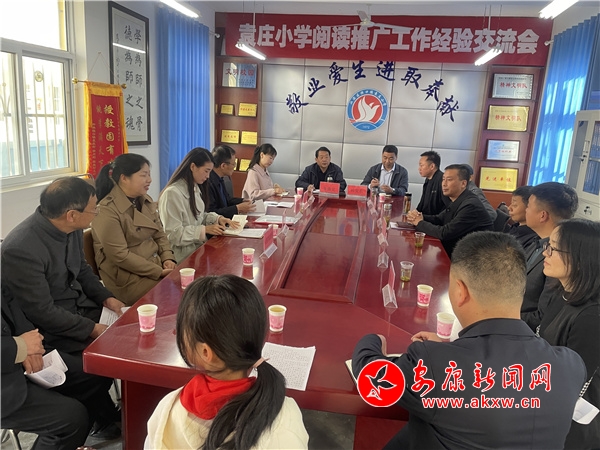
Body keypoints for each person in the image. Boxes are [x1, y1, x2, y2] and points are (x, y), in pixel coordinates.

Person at [352, 232, 587, 450]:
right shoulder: (571, 366)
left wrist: (374, 339)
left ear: (460, 291)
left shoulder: (432, 365)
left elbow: (370, 375)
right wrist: (451, 352)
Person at [1, 176, 124, 439]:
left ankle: (106, 416)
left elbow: (82, 269)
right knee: (97, 368)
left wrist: (107, 298)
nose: (96, 212)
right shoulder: (21, 248)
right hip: (51, 328)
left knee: (128, 335)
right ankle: (98, 419)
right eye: (93, 209)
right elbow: (41, 312)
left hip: (79, 309)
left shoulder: (72, 228)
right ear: (72, 215)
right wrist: (92, 329)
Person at [145, 275, 309, 449]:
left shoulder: (167, 412)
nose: (176, 333)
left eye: (180, 330)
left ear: (205, 353)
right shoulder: (286, 415)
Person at [2, 285, 90, 449]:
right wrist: (19, 347)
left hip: (18, 352)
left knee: (90, 372)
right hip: (4, 381)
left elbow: (8, 300)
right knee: (71, 419)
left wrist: (30, 346)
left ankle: (98, 428)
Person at [537, 219, 600, 449]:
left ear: (580, 260)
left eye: (553, 248)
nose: (545, 252)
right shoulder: (562, 292)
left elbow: (571, 383)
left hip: (568, 426)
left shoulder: (591, 317)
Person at [92, 153, 176, 306]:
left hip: (154, 264)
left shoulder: (144, 200)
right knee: (173, 293)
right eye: (143, 175)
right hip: (127, 277)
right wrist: (158, 271)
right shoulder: (106, 210)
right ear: (124, 178)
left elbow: (159, 234)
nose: (149, 180)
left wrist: (167, 258)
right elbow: (120, 256)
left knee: (187, 285)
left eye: (149, 175)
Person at [159, 148, 237, 262]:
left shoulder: (195, 187)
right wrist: (204, 230)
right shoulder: (172, 193)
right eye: (206, 171)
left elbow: (199, 216)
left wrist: (218, 218)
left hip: (197, 250)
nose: (208, 176)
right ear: (193, 167)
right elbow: (173, 234)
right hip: (181, 256)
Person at [521, 182, 578, 326]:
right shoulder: (536, 241)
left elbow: (542, 317)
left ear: (542, 215)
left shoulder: (561, 259)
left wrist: (500, 316)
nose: (525, 210)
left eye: (528, 206)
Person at [406, 164, 493, 256]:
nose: (444, 184)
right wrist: (420, 217)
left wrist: (419, 222)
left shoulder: (470, 205)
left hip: (472, 257)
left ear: (463, 183)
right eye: (443, 179)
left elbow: (445, 233)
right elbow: (440, 219)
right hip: (457, 249)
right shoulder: (457, 199)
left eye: (449, 180)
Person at [208, 145, 255, 219]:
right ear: (223, 166)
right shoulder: (208, 182)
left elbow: (227, 200)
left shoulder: (220, 178)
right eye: (233, 164)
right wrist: (237, 208)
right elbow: (212, 213)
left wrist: (243, 200)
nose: (234, 167)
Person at [415, 150, 449, 215]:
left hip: (435, 219)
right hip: (424, 217)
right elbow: (422, 202)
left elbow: (447, 207)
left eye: (421, 165)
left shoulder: (442, 180)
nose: (419, 169)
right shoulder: (428, 179)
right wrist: (416, 213)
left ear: (432, 166)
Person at [506, 185, 538, 250]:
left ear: (529, 207)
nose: (509, 208)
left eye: (514, 205)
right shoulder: (516, 227)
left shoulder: (532, 239)